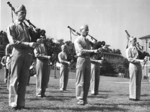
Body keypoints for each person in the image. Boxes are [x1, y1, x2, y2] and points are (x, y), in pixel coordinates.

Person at [7, 5, 38, 109]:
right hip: (17, 52)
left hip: (27, 54)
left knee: (24, 80)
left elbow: (31, 40)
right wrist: (28, 44)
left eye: (25, 13)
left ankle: (20, 103)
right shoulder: (12, 26)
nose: (23, 15)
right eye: (21, 13)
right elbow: (13, 42)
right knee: (14, 79)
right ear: (17, 14)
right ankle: (13, 103)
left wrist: (37, 39)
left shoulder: (27, 27)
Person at [74, 24, 100, 105]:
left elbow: (90, 51)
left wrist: (97, 50)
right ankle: (79, 98)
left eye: (88, 30)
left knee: (87, 81)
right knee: (80, 80)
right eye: (86, 30)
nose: (87, 31)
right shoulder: (77, 40)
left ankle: (84, 98)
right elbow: (81, 51)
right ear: (81, 31)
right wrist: (93, 51)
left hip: (88, 59)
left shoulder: (88, 41)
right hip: (81, 59)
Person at [126, 37, 147, 101]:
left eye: (135, 40)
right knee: (133, 81)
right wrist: (140, 61)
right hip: (133, 65)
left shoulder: (137, 49)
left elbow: (142, 55)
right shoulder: (128, 49)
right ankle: (132, 96)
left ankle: (137, 97)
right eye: (134, 41)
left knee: (138, 81)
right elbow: (129, 59)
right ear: (130, 41)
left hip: (139, 65)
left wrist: (145, 57)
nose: (135, 42)